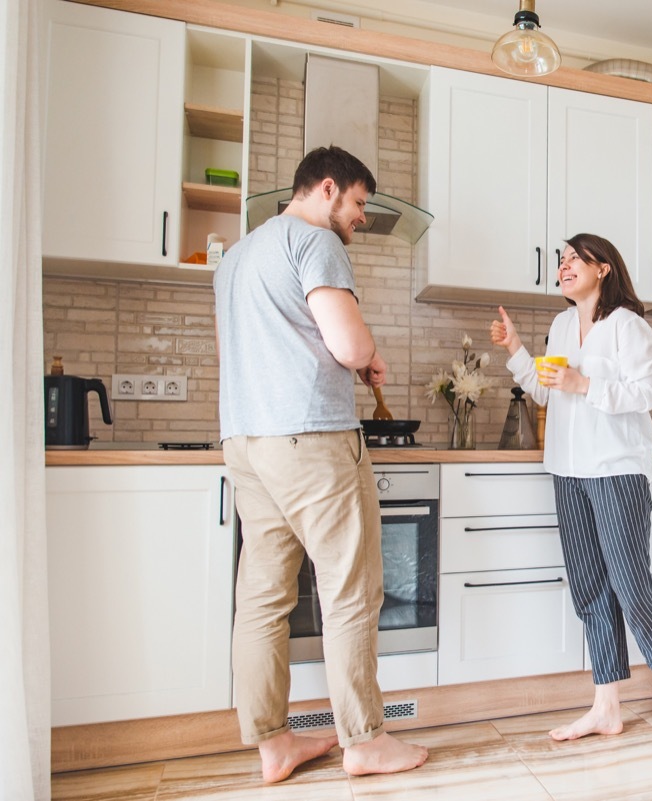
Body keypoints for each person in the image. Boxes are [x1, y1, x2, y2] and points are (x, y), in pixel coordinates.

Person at [214, 146, 428, 782]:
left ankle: (273, 745)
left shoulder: (234, 259)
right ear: (328, 189)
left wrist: (352, 354)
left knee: (262, 598)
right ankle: (363, 741)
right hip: (310, 437)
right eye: (360, 204)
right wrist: (365, 351)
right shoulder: (314, 238)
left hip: (246, 439)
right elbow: (348, 341)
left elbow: (244, 354)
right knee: (350, 591)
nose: (360, 218)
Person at [489, 233, 652, 741]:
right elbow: (545, 389)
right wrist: (515, 349)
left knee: (628, 580)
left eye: (575, 257)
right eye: (561, 260)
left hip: (616, 470)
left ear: (604, 269)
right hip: (568, 470)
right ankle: (606, 705)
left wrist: (585, 384)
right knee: (591, 587)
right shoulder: (559, 324)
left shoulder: (628, 327)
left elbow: (647, 394)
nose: (564, 265)